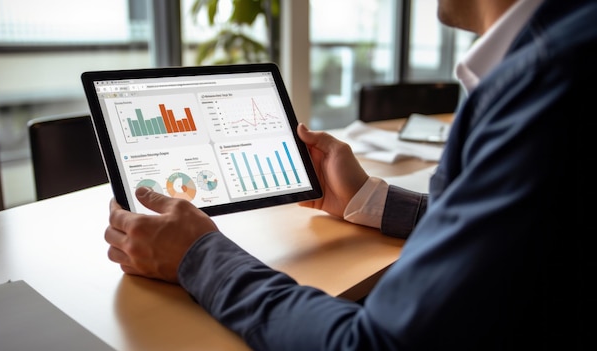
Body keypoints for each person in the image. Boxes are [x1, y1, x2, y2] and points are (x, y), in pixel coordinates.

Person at [105, 0, 592, 349]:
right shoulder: (563, 47)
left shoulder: (545, 85)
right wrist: (368, 198)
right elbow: (511, 233)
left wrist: (196, 255)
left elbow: (371, 342)